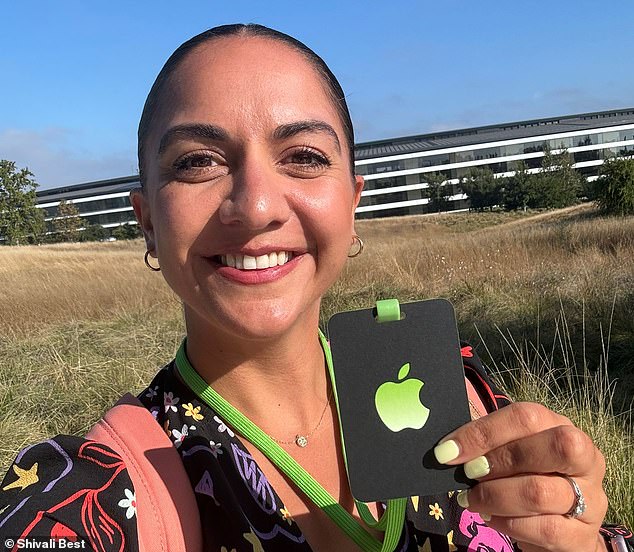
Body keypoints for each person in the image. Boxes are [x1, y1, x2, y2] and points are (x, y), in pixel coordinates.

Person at [0, 24, 631, 552]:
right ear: (147, 222)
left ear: (352, 203)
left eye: (302, 156)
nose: (255, 206)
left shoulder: (457, 392)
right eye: (197, 162)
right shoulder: (95, 498)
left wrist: (586, 536)